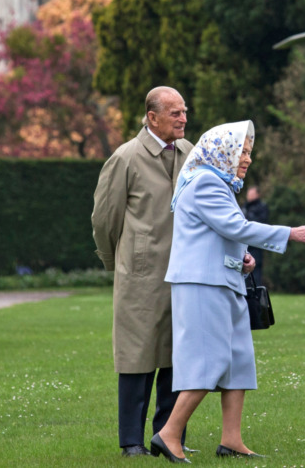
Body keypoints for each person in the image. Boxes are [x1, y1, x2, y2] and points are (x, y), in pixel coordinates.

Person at [149, 121, 305, 463]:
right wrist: (290, 233)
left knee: (239, 362)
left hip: (222, 281)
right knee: (211, 362)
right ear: (222, 151)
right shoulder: (205, 183)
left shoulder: (218, 183)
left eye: (249, 152)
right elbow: (235, 226)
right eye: (241, 151)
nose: (247, 158)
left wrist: (241, 257)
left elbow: (220, 234)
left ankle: (231, 440)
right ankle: (168, 434)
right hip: (203, 286)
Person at [92, 86, 196, 458]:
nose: (184, 118)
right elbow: (105, 219)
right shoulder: (126, 157)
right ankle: (131, 442)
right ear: (152, 117)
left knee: (176, 355)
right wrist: (118, 263)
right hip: (140, 273)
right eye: (175, 113)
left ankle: (169, 436)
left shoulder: (190, 153)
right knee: (137, 357)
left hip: (185, 272)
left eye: (184, 112)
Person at [242, 186, 270, 286]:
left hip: (256, 245)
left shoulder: (261, 207)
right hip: (244, 245)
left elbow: (262, 224)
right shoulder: (244, 207)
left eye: (252, 194)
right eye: (248, 194)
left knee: (256, 270)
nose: (249, 196)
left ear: (257, 195)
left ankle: (256, 294)